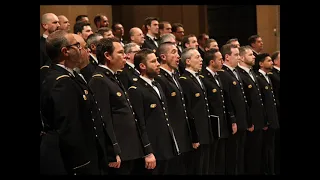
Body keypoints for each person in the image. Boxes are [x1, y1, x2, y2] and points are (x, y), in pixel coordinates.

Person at [40, 30, 115, 175]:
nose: (81, 49)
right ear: (65, 51)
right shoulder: (60, 82)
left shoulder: (71, 76)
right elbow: (69, 127)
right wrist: (81, 164)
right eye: (77, 46)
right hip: (72, 160)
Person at [128, 48, 179, 175]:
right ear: (142, 66)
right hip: (153, 148)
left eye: (157, 60)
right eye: (153, 61)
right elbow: (140, 123)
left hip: (165, 146)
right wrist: (148, 151)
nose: (158, 64)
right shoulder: (136, 89)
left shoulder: (157, 84)